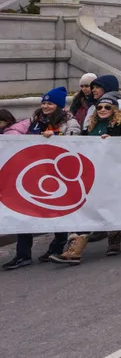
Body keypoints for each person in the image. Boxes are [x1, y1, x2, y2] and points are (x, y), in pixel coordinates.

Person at [49, 96, 121, 264]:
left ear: (115, 110)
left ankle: (114, 240)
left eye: (107, 107)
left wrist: (118, 142)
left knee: (113, 208)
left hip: (114, 176)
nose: (102, 109)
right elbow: (80, 145)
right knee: (86, 208)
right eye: (99, 107)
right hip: (91, 175)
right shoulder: (90, 126)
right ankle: (73, 251)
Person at [2, 88, 77, 270]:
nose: (45, 106)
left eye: (49, 103)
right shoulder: (36, 121)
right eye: (43, 103)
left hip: (57, 175)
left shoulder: (69, 121)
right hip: (33, 173)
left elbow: (76, 141)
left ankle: (58, 245)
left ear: (58, 105)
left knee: (56, 212)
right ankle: (23, 255)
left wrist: (56, 136)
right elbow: (20, 137)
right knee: (23, 213)